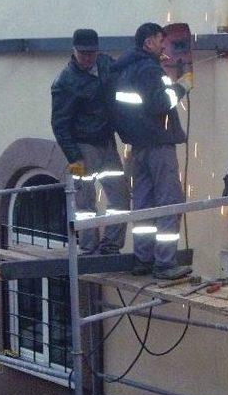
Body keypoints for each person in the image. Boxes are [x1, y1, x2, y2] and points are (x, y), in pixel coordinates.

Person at [111, 22, 192, 279]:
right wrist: (181, 87)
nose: (164, 46)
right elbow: (160, 104)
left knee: (144, 205)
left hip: (138, 148)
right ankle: (165, 263)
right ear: (148, 43)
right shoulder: (149, 70)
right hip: (158, 146)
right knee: (169, 202)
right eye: (160, 41)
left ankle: (143, 259)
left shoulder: (125, 69)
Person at [51, 28, 130, 255]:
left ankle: (111, 245)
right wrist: (74, 157)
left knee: (120, 197)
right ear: (74, 51)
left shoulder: (105, 64)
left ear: (97, 51)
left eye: (92, 53)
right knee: (85, 205)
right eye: (83, 53)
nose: (88, 58)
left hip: (107, 143)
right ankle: (88, 249)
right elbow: (59, 124)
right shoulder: (65, 82)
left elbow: (121, 76)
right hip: (83, 146)